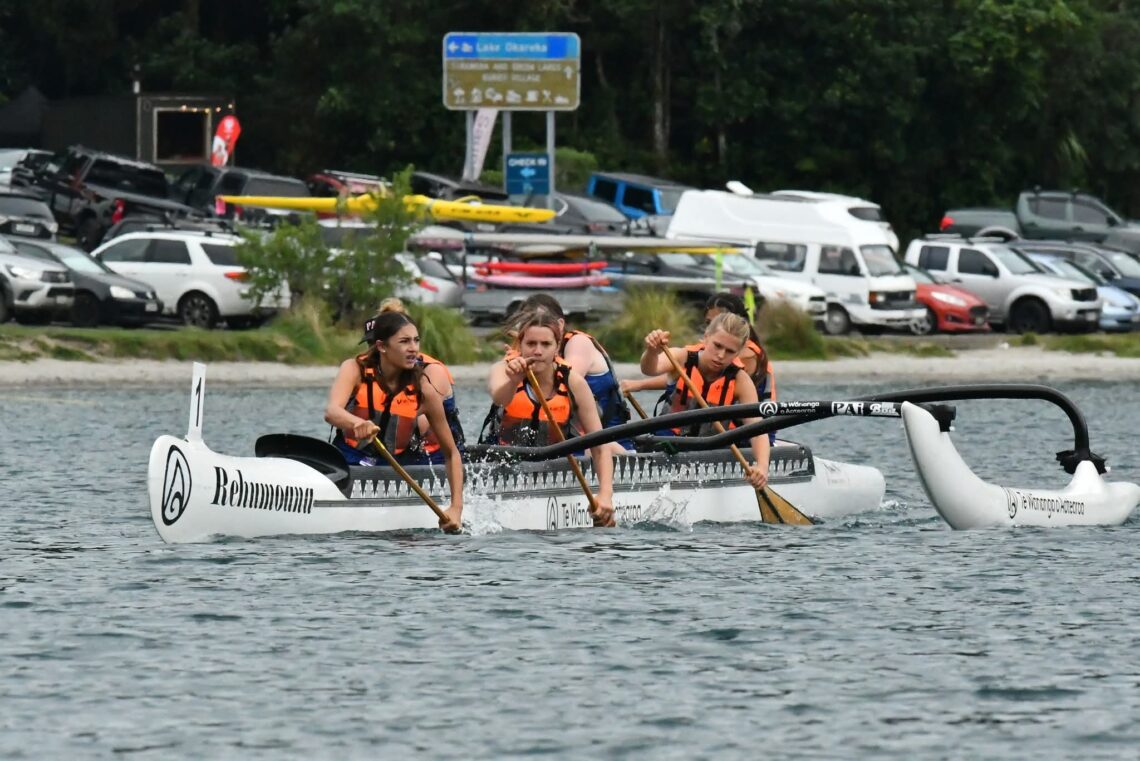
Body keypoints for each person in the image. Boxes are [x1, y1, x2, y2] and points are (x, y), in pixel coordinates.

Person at [324, 311, 464, 532]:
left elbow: (452, 454)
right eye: (404, 341)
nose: (414, 348)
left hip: (395, 464)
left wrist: (456, 508)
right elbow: (331, 411)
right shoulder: (353, 369)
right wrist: (355, 423)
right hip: (348, 457)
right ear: (381, 346)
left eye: (416, 340)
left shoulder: (425, 390)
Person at [482, 308, 616, 526]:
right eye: (531, 344)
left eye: (545, 345)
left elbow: (600, 447)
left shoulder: (573, 382)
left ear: (557, 347)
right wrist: (514, 379)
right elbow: (501, 398)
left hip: (558, 472)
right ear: (520, 345)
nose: (537, 351)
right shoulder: (502, 370)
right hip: (505, 470)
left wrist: (605, 495)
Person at [640, 312, 769, 490]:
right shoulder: (680, 358)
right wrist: (651, 351)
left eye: (730, 351)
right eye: (717, 346)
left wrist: (762, 467)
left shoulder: (741, 381)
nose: (721, 355)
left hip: (710, 455)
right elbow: (649, 368)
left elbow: (757, 429)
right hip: (667, 446)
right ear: (706, 337)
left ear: (738, 353)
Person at [377, 297, 466, 462]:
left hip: (436, 456)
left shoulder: (432, 372)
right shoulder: (372, 371)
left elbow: (422, 425)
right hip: (397, 454)